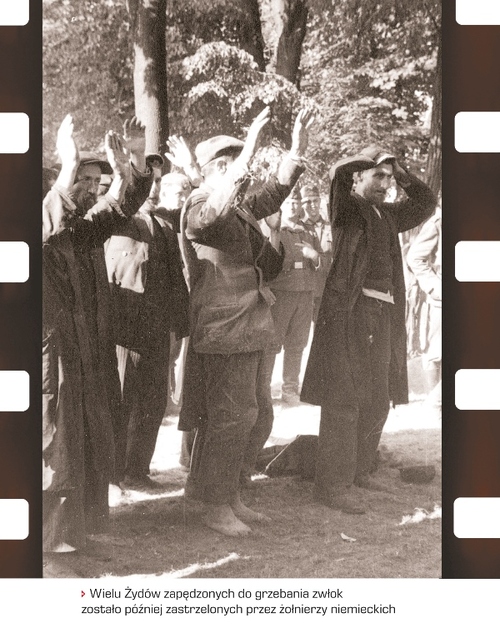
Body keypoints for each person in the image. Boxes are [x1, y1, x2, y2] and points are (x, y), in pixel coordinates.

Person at [180, 107, 313, 536]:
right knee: (232, 417)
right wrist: (248, 151)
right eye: (237, 165)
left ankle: (229, 492)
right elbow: (213, 216)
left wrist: (295, 152)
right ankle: (214, 504)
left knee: (252, 416)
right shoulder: (200, 205)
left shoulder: (237, 209)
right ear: (219, 168)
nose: (246, 173)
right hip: (224, 328)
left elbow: (272, 195)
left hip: (248, 326)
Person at [301, 145, 436, 514]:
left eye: (389, 178)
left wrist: (401, 173)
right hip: (351, 314)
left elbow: (425, 203)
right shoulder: (347, 209)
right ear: (358, 177)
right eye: (378, 176)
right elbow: (337, 177)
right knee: (343, 399)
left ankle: (361, 470)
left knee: (377, 396)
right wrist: (368, 159)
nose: (386, 184)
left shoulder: (387, 213)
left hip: (382, 314)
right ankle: (332, 485)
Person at [43, 115, 149, 555]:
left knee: (86, 439)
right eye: (81, 180)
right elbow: (48, 224)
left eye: (95, 181)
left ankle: (77, 534)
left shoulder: (82, 229)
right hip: (49, 355)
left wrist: (129, 169)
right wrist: (67, 165)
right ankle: (47, 548)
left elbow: (117, 209)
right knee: (53, 444)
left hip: (83, 349)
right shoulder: (41, 221)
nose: (90, 188)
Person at [104, 171, 190, 490]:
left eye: (157, 184)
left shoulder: (165, 226)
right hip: (125, 331)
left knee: (153, 404)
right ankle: (114, 475)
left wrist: (179, 325)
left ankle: (138, 470)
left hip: (157, 328)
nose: (153, 190)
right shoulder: (117, 220)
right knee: (122, 401)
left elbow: (176, 278)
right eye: (148, 184)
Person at [264, 185, 321, 405]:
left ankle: (290, 389)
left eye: (297, 203)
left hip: (305, 293)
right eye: (290, 202)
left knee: (297, 344)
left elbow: (321, 261)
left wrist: (314, 256)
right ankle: (264, 389)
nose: (294, 207)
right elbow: (264, 261)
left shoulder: (308, 231)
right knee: (273, 343)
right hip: (282, 293)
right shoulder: (274, 228)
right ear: (282, 204)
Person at [406, 204, 442, 418]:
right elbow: (414, 257)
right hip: (441, 301)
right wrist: (435, 287)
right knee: (436, 352)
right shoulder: (438, 223)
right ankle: (435, 406)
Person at [300, 183, 332, 322]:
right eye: (307, 201)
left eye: (315, 200)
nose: (312, 205)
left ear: (320, 201)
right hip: (304, 290)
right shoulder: (297, 228)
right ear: (301, 204)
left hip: (326, 289)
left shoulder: (331, 228)